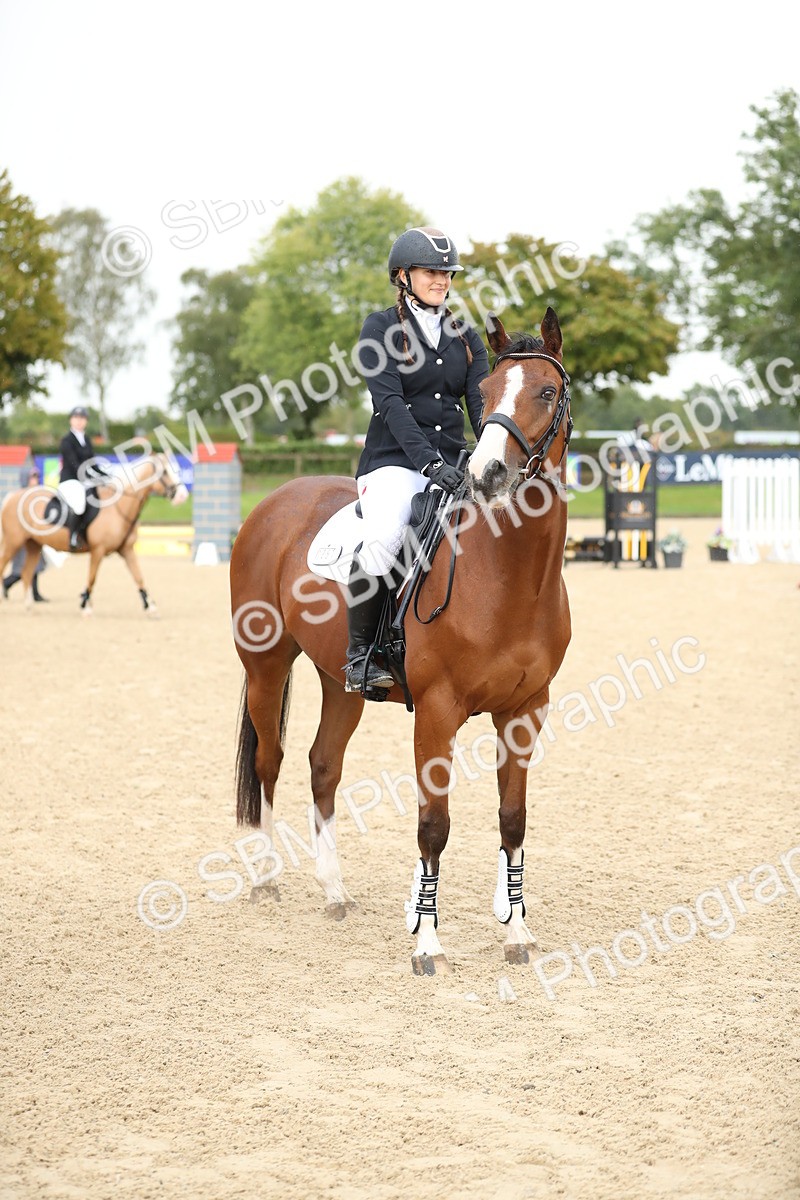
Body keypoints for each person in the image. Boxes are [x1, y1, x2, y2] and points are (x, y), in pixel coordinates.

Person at [344, 225, 489, 696]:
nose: (442, 280)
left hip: (455, 462)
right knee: (387, 537)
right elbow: (392, 406)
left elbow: (480, 404)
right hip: (393, 462)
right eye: (431, 272)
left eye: (447, 273)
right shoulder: (380, 329)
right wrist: (428, 465)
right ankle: (362, 654)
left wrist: (489, 455)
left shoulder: (465, 334)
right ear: (403, 275)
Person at [58, 405, 109, 550]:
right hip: (70, 480)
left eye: (82, 418)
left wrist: (105, 476)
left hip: (83, 480)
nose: (79, 421)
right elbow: (74, 463)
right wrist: (89, 476)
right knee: (80, 502)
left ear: (86, 421)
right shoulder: (66, 440)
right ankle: (73, 536)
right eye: (76, 418)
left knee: (99, 496)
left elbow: (92, 463)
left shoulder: (86, 439)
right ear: (71, 420)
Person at [2, 466, 48, 601]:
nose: (35, 480)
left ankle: (34, 593)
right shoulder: (17, 497)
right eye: (32, 477)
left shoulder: (38, 496)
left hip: (34, 536)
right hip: (20, 537)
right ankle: (5, 584)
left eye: (36, 477)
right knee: (20, 568)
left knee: (35, 564)